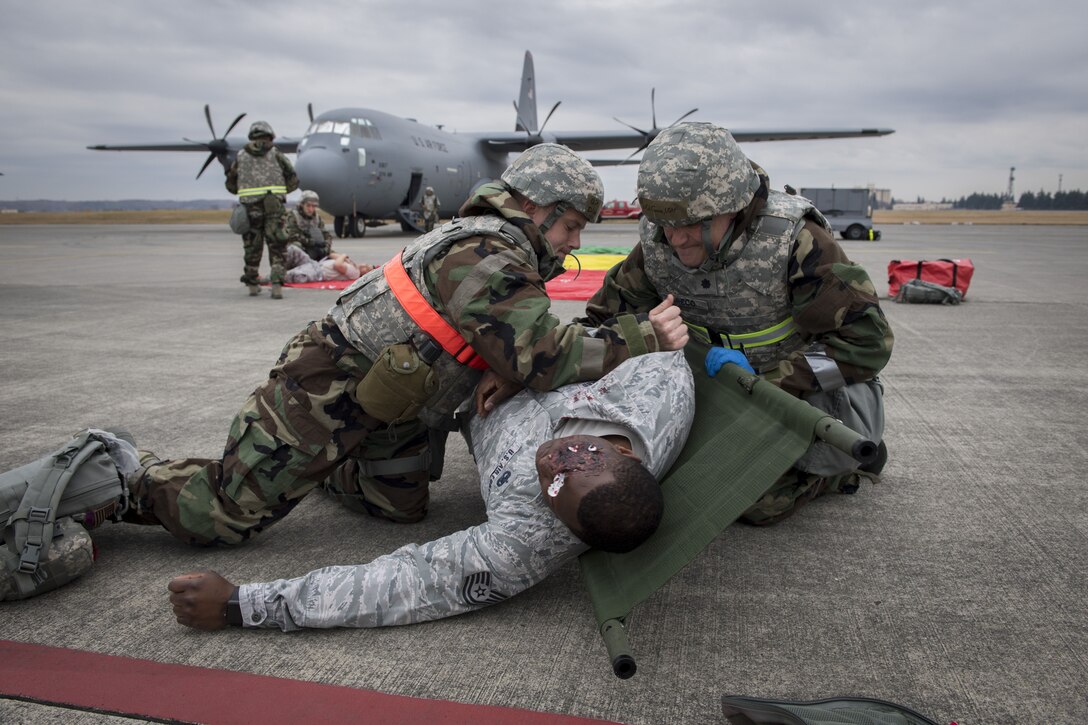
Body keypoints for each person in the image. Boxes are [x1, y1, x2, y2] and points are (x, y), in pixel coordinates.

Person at [124, 143, 688, 549]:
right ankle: (123, 476)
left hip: (395, 403)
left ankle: (326, 465)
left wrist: (510, 369)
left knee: (400, 509)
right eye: (570, 227)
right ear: (538, 208)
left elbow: (513, 345)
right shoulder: (486, 254)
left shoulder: (502, 247)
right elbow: (542, 356)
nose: (575, 243)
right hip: (328, 387)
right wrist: (645, 335)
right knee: (223, 517)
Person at [167, 351, 694, 631]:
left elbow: (399, 586)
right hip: (474, 353)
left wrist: (245, 604)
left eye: (550, 489)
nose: (548, 463)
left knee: (394, 502)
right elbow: (651, 347)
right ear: (623, 452)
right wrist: (527, 369)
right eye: (577, 461)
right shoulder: (656, 394)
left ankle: (335, 468)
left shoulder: (524, 543)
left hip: (442, 402)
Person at [580, 122, 893, 526]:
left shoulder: (797, 242)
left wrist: (773, 379)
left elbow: (867, 343)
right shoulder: (659, 242)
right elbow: (606, 319)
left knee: (752, 500)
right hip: (718, 392)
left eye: (693, 223)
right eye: (666, 223)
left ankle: (840, 470)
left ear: (733, 204)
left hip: (799, 395)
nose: (677, 239)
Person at [225, 121, 299, 299]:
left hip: (250, 209)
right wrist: (279, 192)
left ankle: (252, 284)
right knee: (277, 246)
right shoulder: (277, 154)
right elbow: (293, 179)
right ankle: (276, 286)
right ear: (269, 135)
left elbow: (231, 185)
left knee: (252, 246)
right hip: (274, 207)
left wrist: (247, 190)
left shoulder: (241, 156)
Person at [282, 246, 375, 284]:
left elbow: (338, 265)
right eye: (366, 265)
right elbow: (331, 255)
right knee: (293, 249)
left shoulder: (355, 273)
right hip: (315, 264)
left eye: (366, 269)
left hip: (317, 272)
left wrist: (343, 256)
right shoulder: (352, 264)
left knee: (289, 275)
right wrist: (345, 258)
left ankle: (275, 276)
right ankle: (280, 266)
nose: (364, 266)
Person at [286, 190, 333, 261]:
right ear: (302, 204)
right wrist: (312, 242)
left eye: (313, 206)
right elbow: (292, 236)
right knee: (296, 246)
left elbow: (326, 234)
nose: (311, 209)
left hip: (314, 247)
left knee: (334, 255)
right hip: (300, 246)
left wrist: (327, 246)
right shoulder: (293, 216)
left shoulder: (317, 218)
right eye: (308, 206)